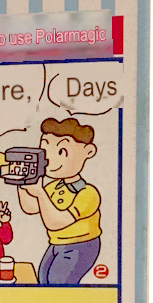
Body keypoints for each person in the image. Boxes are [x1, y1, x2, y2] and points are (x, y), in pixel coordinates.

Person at [17, 117, 102, 285]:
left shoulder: (88, 194)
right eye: (45, 149)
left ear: (88, 151)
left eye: (62, 151)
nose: (49, 159)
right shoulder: (54, 186)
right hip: (56, 243)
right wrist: (21, 183)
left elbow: (56, 223)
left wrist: (40, 193)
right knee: (43, 279)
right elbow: (31, 208)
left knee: (58, 283)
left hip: (81, 245)